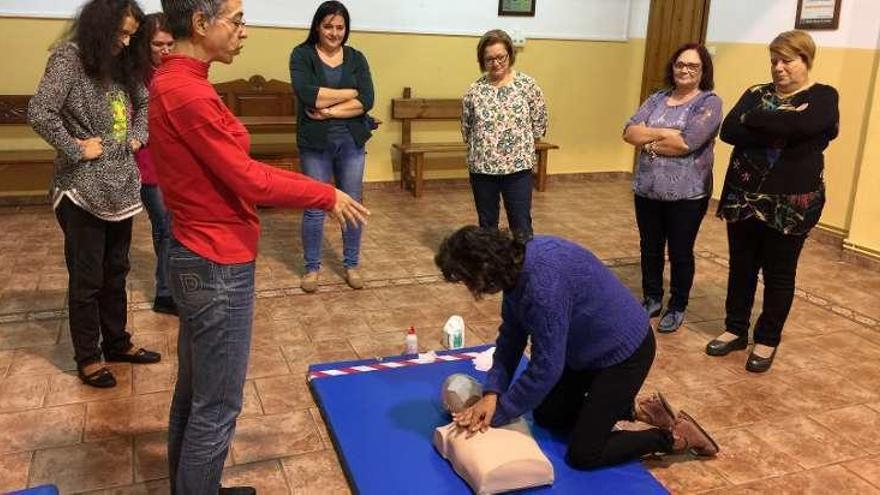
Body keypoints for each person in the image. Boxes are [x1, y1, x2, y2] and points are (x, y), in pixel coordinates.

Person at [152, 0, 369, 493]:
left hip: (196, 249)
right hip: (214, 259)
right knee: (217, 405)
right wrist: (326, 193)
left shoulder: (177, 79)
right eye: (237, 20)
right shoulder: (188, 92)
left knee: (195, 394)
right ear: (202, 23)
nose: (244, 31)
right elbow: (251, 181)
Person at [435, 226, 718, 469]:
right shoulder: (515, 265)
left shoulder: (542, 285)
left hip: (624, 353)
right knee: (547, 415)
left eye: (466, 280)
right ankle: (634, 410)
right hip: (584, 352)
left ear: (484, 270)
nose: (471, 288)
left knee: (584, 454)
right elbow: (511, 336)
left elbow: (547, 367)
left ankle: (674, 437)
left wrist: (497, 413)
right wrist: (492, 392)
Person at [28, 0, 161, 389]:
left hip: (121, 185)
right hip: (81, 188)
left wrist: (138, 136)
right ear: (99, 27)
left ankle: (118, 342)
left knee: (116, 272)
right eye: (120, 31)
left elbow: (144, 102)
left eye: (131, 34)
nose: (125, 40)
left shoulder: (123, 62)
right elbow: (40, 111)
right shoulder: (69, 59)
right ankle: (88, 357)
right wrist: (76, 147)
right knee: (87, 278)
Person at [706, 31, 839, 373]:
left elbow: (811, 124)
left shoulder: (823, 96)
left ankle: (767, 338)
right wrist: (786, 126)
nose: (779, 68)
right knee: (741, 267)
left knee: (779, 273)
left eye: (787, 60)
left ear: (806, 61)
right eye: (774, 61)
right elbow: (731, 130)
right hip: (743, 196)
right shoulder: (754, 93)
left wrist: (758, 121)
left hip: (791, 202)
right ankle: (735, 328)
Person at [623, 44, 722, 333]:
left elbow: (687, 143)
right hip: (648, 189)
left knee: (680, 252)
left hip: (687, 195)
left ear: (703, 71)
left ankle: (677, 305)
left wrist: (649, 142)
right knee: (650, 248)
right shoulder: (657, 98)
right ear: (672, 66)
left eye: (693, 66)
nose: (685, 70)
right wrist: (665, 133)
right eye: (680, 64)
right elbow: (629, 131)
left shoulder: (709, 102)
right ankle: (652, 297)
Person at [289, 0, 374, 292]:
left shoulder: (356, 57)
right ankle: (312, 268)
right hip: (315, 144)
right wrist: (349, 94)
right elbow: (306, 93)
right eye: (328, 26)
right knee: (315, 206)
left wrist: (329, 111)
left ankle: (351, 265)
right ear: (317, 26)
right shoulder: (302, 55)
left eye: (340, 27)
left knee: (352, 204)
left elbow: (368, 100)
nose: (334, 32)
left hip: (351, 142)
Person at [461, 29, 547, 241]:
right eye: (489, 59)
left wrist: (521, 150)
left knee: (521, 226)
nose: (496, 63)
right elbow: (467, 127)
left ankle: (524, 269)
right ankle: (491, 271)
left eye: (501, 57)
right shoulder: (475, 90)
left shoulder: (527, 86)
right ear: (482, 60)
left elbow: (539, 122)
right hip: (483, 169)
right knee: (487, 227)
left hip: (517, 169)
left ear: (510, 55)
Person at [135, 12, 177, 315]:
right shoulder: (137, 76)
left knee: (171, 227)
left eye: (170, 44)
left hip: (175, 162)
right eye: (158, 45)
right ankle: (165, 293)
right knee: (165, 227)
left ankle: (170, 287)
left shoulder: (175, 70)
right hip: (148, 163)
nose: (165, 50)